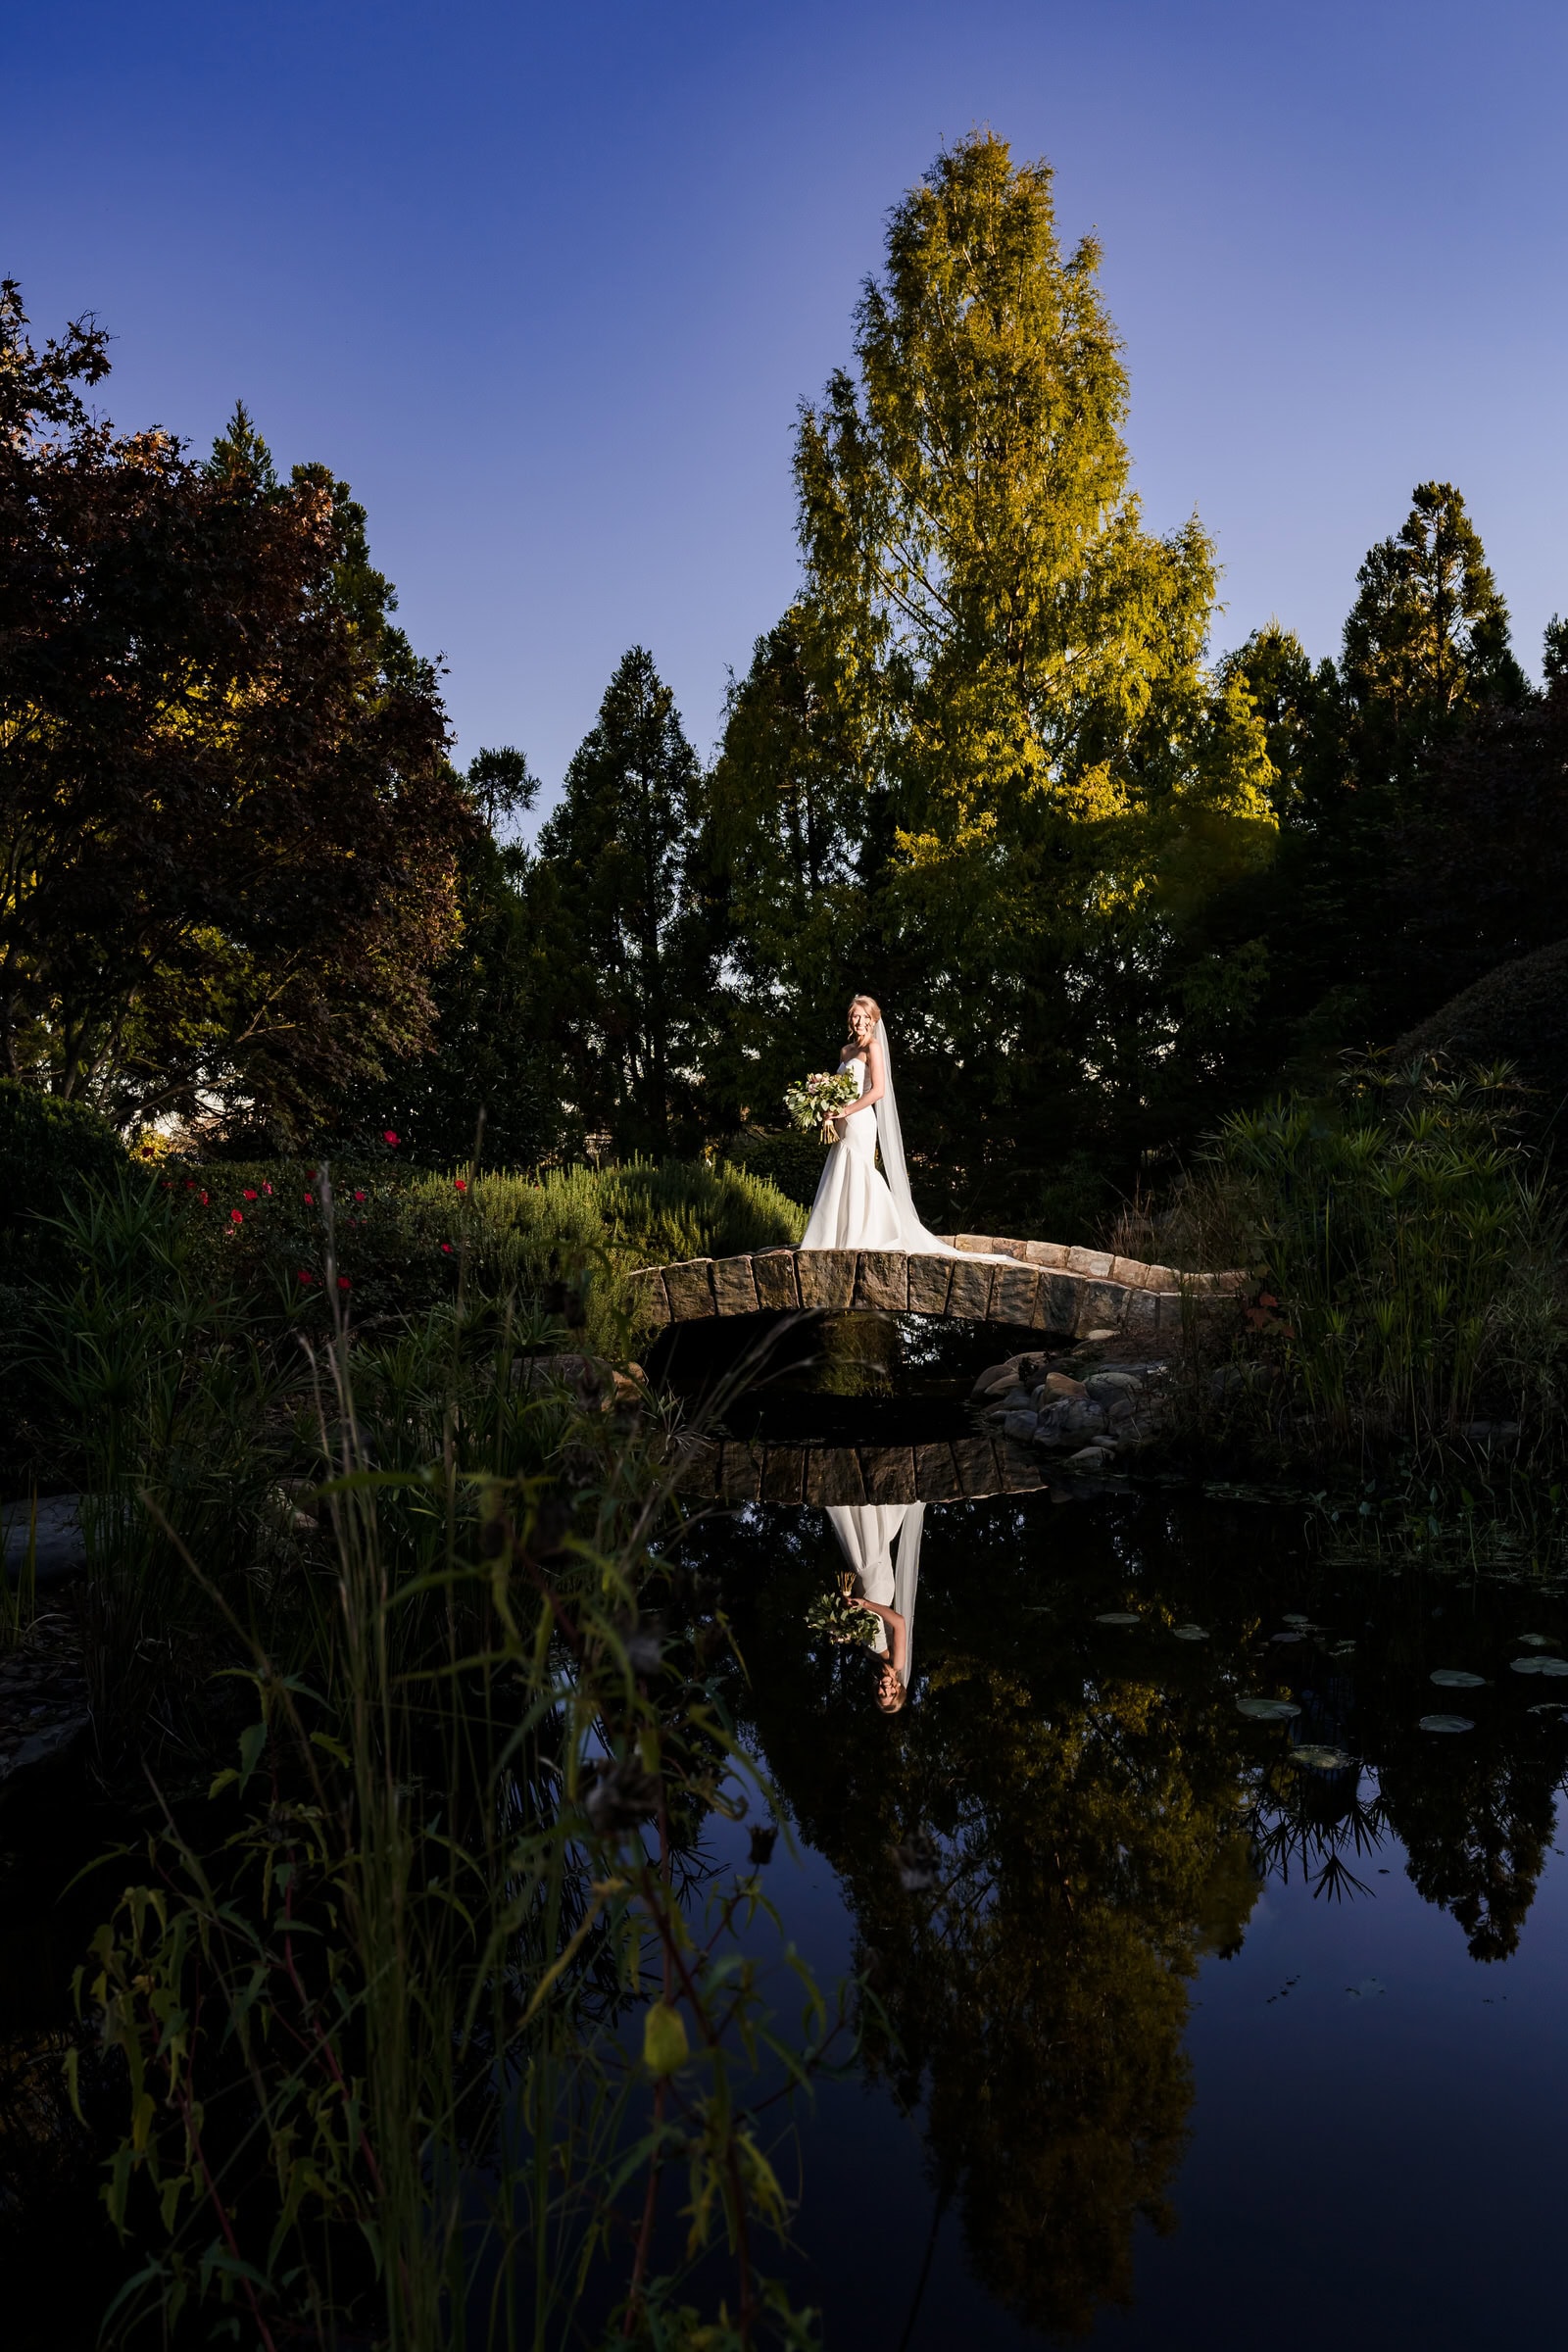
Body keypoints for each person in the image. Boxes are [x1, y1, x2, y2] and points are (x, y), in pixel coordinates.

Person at [799, 995, 981, 1255]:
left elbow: (878, 1091)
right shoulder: (846, 1050)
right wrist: (828, 1109)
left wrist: (845, 1110)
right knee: (840, 1169)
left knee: (859, 1170)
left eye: (864, 1016)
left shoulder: (873, 1048)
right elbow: (839, 1089)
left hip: (860, 1120)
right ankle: (833, 1236)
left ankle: (870, 1232)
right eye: (855, 1015)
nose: (859, 1021)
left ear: (873, 1020)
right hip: (841, 1121)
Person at [826, 1499, 924, 1714]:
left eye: (881, 1695)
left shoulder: (871, 1657)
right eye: (891, 1695)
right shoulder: (896, 1662)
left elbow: (864, 1621)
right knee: (867, 1525)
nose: (885, 1690)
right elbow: (899, 1622)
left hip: (865, 1585)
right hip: (878, 1589)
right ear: (899, 1688)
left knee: (864, 1530)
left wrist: (847, 1611)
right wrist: (867, 1603)